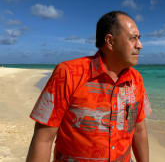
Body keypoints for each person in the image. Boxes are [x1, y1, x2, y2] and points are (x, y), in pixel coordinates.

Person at [26, 11, 151, 162]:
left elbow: (139, 130)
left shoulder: (136, 80)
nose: (140, 45)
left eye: (139, 39)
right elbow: (43, 139)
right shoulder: (68, 74)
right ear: (110, 41)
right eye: (133, 38)